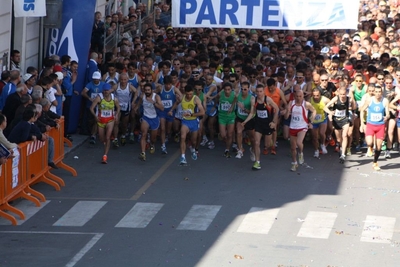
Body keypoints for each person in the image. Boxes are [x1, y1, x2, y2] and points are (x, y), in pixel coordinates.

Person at [242, 85, 279, 170]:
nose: (259, 93)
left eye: (260, 91)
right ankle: (257, 162)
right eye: (257, 92)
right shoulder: (254, 100)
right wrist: (245, 122)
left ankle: (268, 144)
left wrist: (274, 122)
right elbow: (252, 113)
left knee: (266, 145)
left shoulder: (268, 100)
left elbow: (277, 109)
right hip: (258, 124)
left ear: (263, 92)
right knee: (257, 142)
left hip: (268, 124)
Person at [169, 84, 204, 165]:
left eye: (191, 94)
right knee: (182, 137)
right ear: (185, 93)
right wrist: (171, 110)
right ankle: (183, 157)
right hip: (185, 121)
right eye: (187, 94)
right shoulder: (182, 98)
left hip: (194, 121)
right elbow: (176, 103)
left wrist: (191, 115)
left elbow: (202, 112)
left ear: (193, 93)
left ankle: (193, 149)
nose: (189, 96)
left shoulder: (196, 99)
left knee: (194, 141)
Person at [359, 85, 390, 171]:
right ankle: (370, 147)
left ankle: (375, 162)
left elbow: (387, 113)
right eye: (376, 92)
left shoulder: (385, 101)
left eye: (379, 92)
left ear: (381, 92)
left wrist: (386, 117)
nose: (377, 94)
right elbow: (361, 110)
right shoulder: (370, 100)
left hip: (380, 126)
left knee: (379, 146)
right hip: (370, 125)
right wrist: (362, 123)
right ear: (374, 92)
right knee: (369, 142)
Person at [285, 90, 316, 172]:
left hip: (302, 126)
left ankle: (301, 153)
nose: (298, 98)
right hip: (293, 126)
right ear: (294, 96)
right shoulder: (291, 103)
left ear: (303, 96)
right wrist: (288, 110)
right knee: (292, 148)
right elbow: (286, 117)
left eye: (300, 96)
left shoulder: (306, 104)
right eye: (297, 96)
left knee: (299, 143)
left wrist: (311, 122)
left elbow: (314, 111)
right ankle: (294, 163)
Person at [324, 87, 356, 163]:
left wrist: (353, 101)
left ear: (346, 93)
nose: (342, 96)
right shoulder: (335, 98)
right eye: (341, 94)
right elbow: (325, 107)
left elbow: (354, 107)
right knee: (339, 139)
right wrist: (330, 112)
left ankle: (343, 155)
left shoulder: (349, 99)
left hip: (345, 119)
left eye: (344, 94)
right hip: (337, 120)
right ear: (338, 93)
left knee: (345, 135)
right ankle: (342, 147)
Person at [90, 83, 120, 164]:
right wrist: (95, 116)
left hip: (110, 120)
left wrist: (116, 115)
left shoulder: (114, 98)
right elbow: (91, 108)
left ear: (110, 90)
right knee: (102, 138)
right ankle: (106, 144)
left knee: (107, 137)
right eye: (105, 90)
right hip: (101, 120)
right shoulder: (99, 98)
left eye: (107, 90)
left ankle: (105, 156)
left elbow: (118, 107)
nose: (106, 92)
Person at [133, 83, 164, 161]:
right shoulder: (142, 96)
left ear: (152, 90)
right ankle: (143, 153)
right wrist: (136, 108)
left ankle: (152, 144)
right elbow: (139, 103)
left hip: (154, 118)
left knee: (153, 138)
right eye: (145, 90)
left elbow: (162, 108)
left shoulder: (156, 97)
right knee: (144, 134)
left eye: (148, 90)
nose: (147, 91)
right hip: (146, 117)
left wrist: (153, 102)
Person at [156, 75, 182, 154]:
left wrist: (179, 98)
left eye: (169, 84)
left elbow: (181, 98)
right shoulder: (160, 88)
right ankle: (163, 145)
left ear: (171, 83)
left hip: (171, 111)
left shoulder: (174, 89)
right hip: (162, 111)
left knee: (168, 129)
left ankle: (167, 135)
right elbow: (152, 93)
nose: (168, 86)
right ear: (164, 84)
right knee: (163, 128)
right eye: (166, 84)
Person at [111, 72, 137, 147]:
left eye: (125, 80)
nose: (123, 81)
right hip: (117, 106)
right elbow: (110, 91)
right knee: (116, 122)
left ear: (127, 80)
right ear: (119, 80)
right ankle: (115, 139)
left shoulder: (129, 86)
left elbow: (136, 92)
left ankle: (123, 135)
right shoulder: (116, 86)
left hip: (126, 107)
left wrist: (133, 101)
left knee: (124, 124)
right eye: (121, 79)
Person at [216, 82, 238, 158]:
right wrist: (214, 106)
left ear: (231, 90)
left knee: (230, 134)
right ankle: (228, 142)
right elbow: (216, 99)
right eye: (226, 89)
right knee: (223, 135)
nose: (227, 91)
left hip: (231, 116)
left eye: (229, 90)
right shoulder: (220, 94)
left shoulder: (234, 94)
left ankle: (227, 149)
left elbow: (236, 98)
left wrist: (232, 106)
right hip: (222, 116)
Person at [81, 71, 104, 142]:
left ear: (100, 78)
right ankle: (92, 132)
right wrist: (89, 98)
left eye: (97, 79)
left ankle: (93, 135)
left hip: (100, 106)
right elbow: (83, 92)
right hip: (91, 105)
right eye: (94, 79)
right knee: (91, 120)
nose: (96, 80)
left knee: (96, 120)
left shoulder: (103, 84)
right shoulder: (90, 84)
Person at [235, 81, 255, 159]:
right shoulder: (238, 96)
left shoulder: (252, 98)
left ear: (248, 89)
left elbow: (252, 113)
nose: (243, 91)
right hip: (240, 117)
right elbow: (234, 101)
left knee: (252, 137)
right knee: (239, 132)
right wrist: (231, 108)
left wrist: (243, 109)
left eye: (245, 89)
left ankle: (253, 150)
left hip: (249, 119)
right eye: (242, 89)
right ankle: (240, 150)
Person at [310, 88, 330, 157]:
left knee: (322, 133)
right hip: (313, 120)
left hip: (322, 119)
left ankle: (322, 144)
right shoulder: (310, 100)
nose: (315, 97)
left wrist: (329, 110)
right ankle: (316, 150)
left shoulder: (324, 99)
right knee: (314, 137)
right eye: (314, 95)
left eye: (317, 95)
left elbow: (331, 103)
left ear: (320, 95)